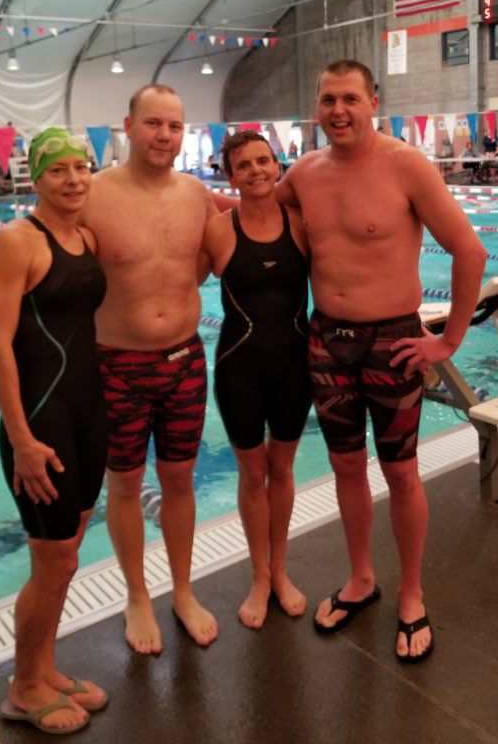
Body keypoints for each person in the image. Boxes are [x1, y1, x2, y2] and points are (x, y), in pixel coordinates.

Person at [276, 60, 487, 662]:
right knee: (346, 470)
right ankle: (362, 579)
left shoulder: (405, 166)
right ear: (315, 108)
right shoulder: (304, 174)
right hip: (327, 344)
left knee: (401, 473)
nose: (337, 110)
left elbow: (469, 252)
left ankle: (413, 593)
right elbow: (252, 211)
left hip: (393, 343)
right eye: (326, 100)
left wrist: (447, 342)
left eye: (348, 98)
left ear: (373, 101)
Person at [0, 127, 108, 735]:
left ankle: (47, 669)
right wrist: (23, 439)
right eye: (59, 170)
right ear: (36, 176)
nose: (75, 179)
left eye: (82, 167)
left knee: (67, 556)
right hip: (42, 426)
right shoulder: (13, 243)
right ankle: (23, 688)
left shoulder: (84, 236)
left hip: (88, 416)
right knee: (50, 559)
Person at [82, 84, 219, 654]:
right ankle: (137, 595)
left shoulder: (196, 195)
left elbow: (207, 266)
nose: (165, 135)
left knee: (181, 480)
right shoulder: (90, 195)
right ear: (128, 125)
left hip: (185, 359)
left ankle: (183, 590)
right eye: (154, 123)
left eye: (175, 125)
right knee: (125, 485)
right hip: (116, 365)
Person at [201, 130, 310, 630]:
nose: (257, 171)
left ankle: (281, 570)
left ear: (277, 163)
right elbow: (175, 285)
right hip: (238, 368)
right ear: (230, 176)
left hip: (295, 366)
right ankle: (259, 577)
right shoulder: (218, 231)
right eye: (243, 165)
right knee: (252, 474)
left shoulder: (303, 225)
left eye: (263, 161)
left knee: (283, 469)